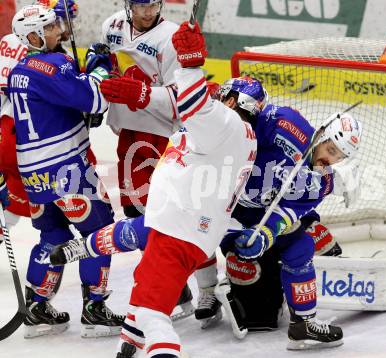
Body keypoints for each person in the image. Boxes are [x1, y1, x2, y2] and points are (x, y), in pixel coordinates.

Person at [49, 20, 263, 357]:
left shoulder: (226, 123)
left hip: (180, 230)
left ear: (236, 103)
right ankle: (85, 256)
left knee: (153, 315)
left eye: (226, 95)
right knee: (136, 248)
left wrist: (191, 64)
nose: (219, 95)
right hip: (180, 226)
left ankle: (164, 343)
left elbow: (193, 104)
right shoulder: (238, 135)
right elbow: (132, 232)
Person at [194, 105, 362, 350]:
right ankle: (207, 290)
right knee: (197, 233)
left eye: (339, 157)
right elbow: (253, 121)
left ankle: (303, 324)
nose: (330, 159)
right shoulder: (291, 126)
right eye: (330, 149)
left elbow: (284, 215)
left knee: (301, 247)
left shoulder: (321, 183)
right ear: (322, 135)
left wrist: (264, 235)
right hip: (225, 202)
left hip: (252, 219)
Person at [8, 4, 124, 338]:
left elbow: (62, 102)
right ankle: (95, 307)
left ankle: (38, 304)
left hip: (32, 173)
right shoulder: (54, 65)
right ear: (34, 36)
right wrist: (99, 69)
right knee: (99, 230)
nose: (60, 30)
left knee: (53, 235)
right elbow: (96, 100)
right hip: (65, 169)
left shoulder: (20, 69)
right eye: (51, 27)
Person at [0, 0, 80, 218]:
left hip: (15, 137)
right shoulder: (54, 60)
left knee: (17, 212)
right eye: (55, 24)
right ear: (35, 32)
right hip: (27, 142)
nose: (62, 29)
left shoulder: (11, 41)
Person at [101, 0, 180, 218]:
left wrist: (141, 93)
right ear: (129, 6)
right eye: (141, 7)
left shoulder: (171, 37)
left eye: (154, 6)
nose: (148, 13)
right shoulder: (112, 25)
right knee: (132, 208)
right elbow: (107, 66)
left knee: (157, 210)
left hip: (159, 132)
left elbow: (179, 98)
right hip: (127, 126)